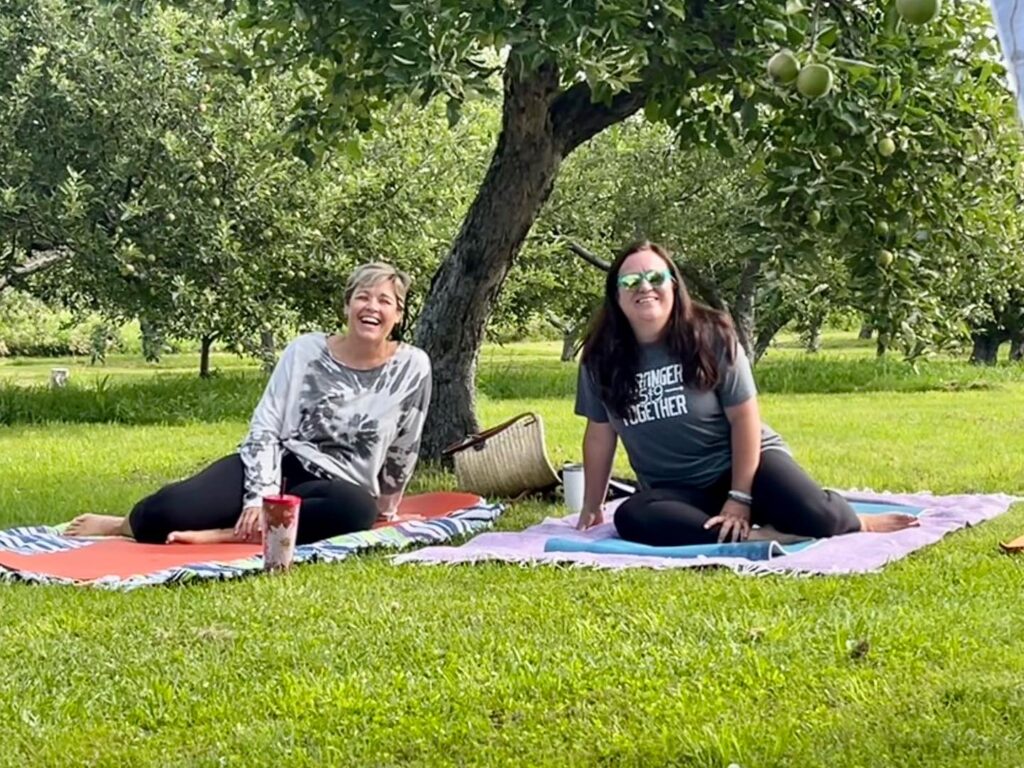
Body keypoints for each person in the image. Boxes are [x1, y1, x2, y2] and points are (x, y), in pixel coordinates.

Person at [574, 241, 918, 545]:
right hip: (679, 491)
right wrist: (592, 505)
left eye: (655, 277)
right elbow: (600, 434)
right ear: (616, 295)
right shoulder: (599, 358)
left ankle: (857, 520)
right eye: (630, 281)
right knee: (632, 516)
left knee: (818, 518)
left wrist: (740, 497)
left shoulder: (712, 336)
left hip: (749, 467)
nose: (644, 287)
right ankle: (755, 536)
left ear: (674, 286)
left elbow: (744, 418)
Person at [67, 262, 432, 546]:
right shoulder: (305, 351)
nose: (372, 307)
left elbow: (406, 442)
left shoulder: (412, 366)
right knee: (166, 512)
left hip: (338, 487)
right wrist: (258, 498)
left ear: (398, 315)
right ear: (347, 305)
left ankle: (227, 534)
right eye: (363, 297)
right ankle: (119, 525)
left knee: (357, 512)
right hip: (277, 464)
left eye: (384, 301)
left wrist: (387, 509)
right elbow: (266, 426)